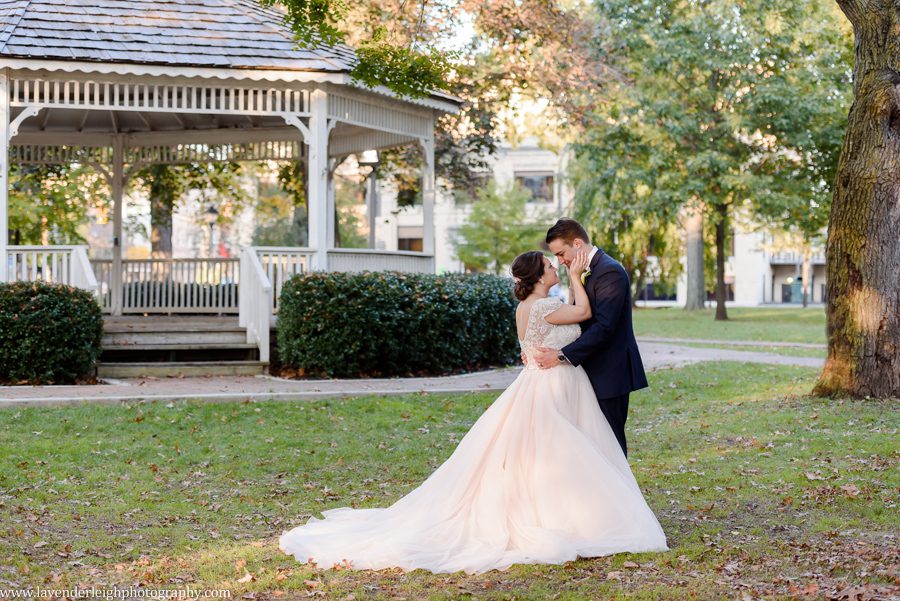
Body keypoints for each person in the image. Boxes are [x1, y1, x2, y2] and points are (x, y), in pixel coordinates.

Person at [278, 248, 668, 575]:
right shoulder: (547, 306)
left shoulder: (530, 307)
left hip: (546, 382)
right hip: (553, 385)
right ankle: (569, 517)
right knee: (564, 449)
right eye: (551, 265)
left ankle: (568, 512)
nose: (556, 267)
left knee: (549, 453)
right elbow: (583, 313)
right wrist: (579, 276)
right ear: (537, 276)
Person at [531, 219, 649, 457]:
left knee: (611, 442)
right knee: (590, 443)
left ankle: (619, 493)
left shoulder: (609, 271)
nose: (560, 261)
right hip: (586, 371)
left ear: (577, 243)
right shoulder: (579, 271)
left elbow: (604, 327)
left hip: (609, 372)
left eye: (562, 253)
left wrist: (562, 355)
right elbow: (573, 320)